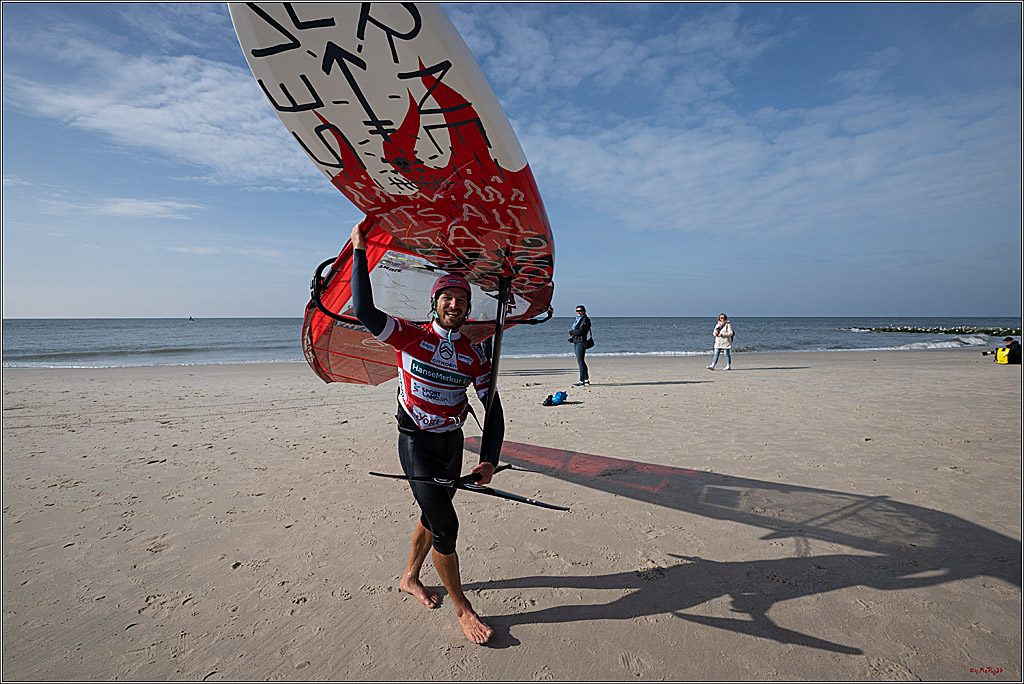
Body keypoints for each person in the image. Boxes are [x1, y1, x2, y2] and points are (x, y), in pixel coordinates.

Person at [349, 220, 503, 644]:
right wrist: (360, 252)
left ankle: (410, 576)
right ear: (435, 304)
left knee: (429, 515)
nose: (454, 304)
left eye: (461, 300)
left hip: (453, 444)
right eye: (447, 298)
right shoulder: (409, 337)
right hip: (416, 443)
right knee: (447, 526)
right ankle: (462, 607)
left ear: (467, 309)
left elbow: (493, 408)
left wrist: (488, 456)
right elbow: (364, 311)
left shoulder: (475, 356)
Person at [568, 304, 591, 386]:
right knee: (581, 361)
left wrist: (571, 332)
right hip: (577, 341)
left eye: (580, 311)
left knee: (580, 361)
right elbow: (578, 330)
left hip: (581, 341)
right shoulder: (578, 319)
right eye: (577, 311)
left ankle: (581, 381)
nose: (579, 312)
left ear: (584, 311)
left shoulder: (585, 320)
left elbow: (581, 331)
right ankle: (586, 380)